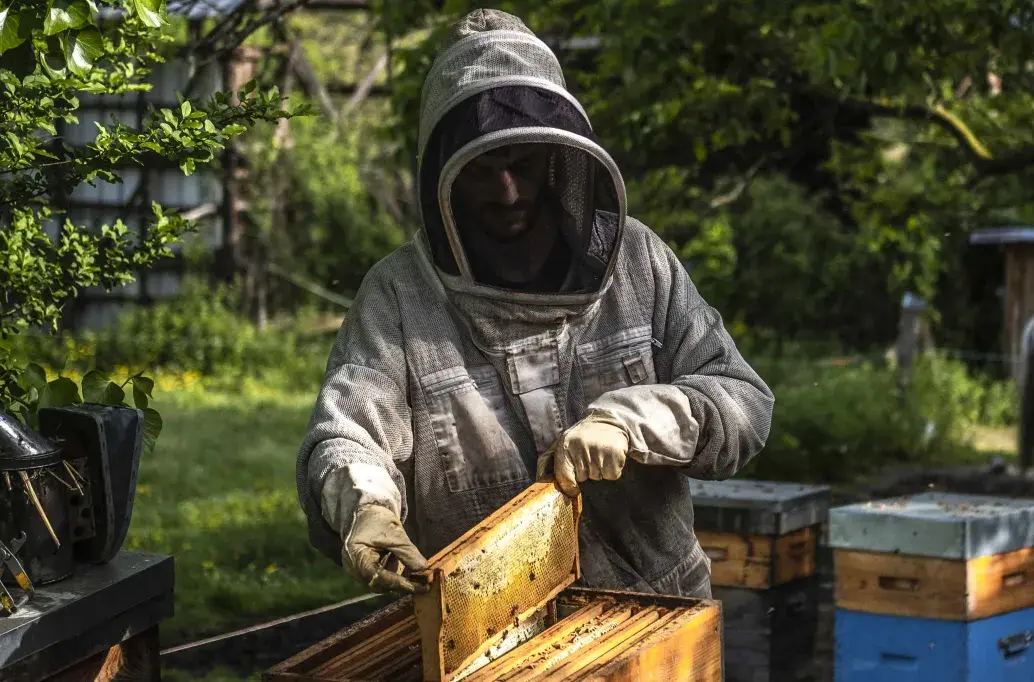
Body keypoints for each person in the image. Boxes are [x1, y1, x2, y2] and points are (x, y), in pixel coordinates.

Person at [293, 8, 773, 601]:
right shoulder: (398, 296)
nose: (507, 191)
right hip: (484, 625)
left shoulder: (636, 261)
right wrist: (365, 503)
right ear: (443, 176)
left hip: (656, 606)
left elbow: (743, 401)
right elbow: (348, 435)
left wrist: (630, 421)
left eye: (520, 164)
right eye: (482, 171)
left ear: (556, 158)